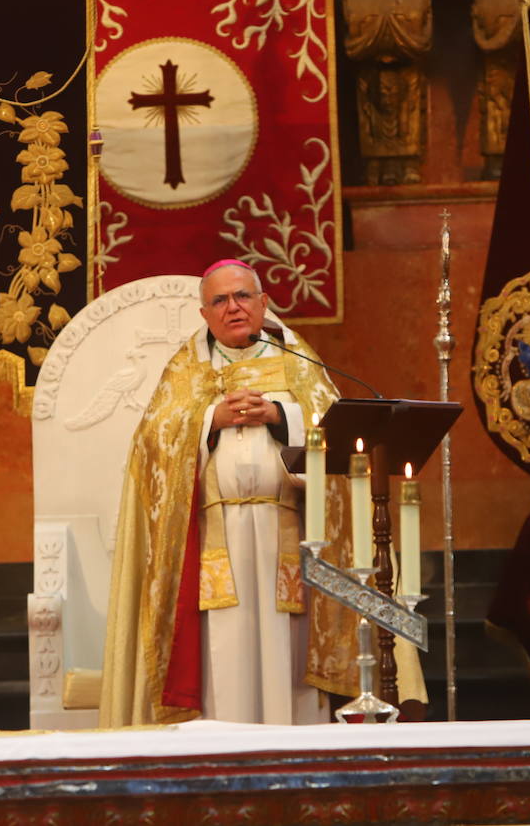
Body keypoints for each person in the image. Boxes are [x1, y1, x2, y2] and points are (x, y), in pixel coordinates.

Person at [100, 261, 424, 726]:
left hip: (286, 535)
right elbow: (151, 443)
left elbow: (332, 428)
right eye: (220, 301)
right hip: (218, 538)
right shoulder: (187, 367)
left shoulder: (299, 361)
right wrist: (210, 419)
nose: (233, 307)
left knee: (286, 654)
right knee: (223, 654)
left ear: (263, 304)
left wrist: (279, 413)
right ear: (204, 313)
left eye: (243, 297)